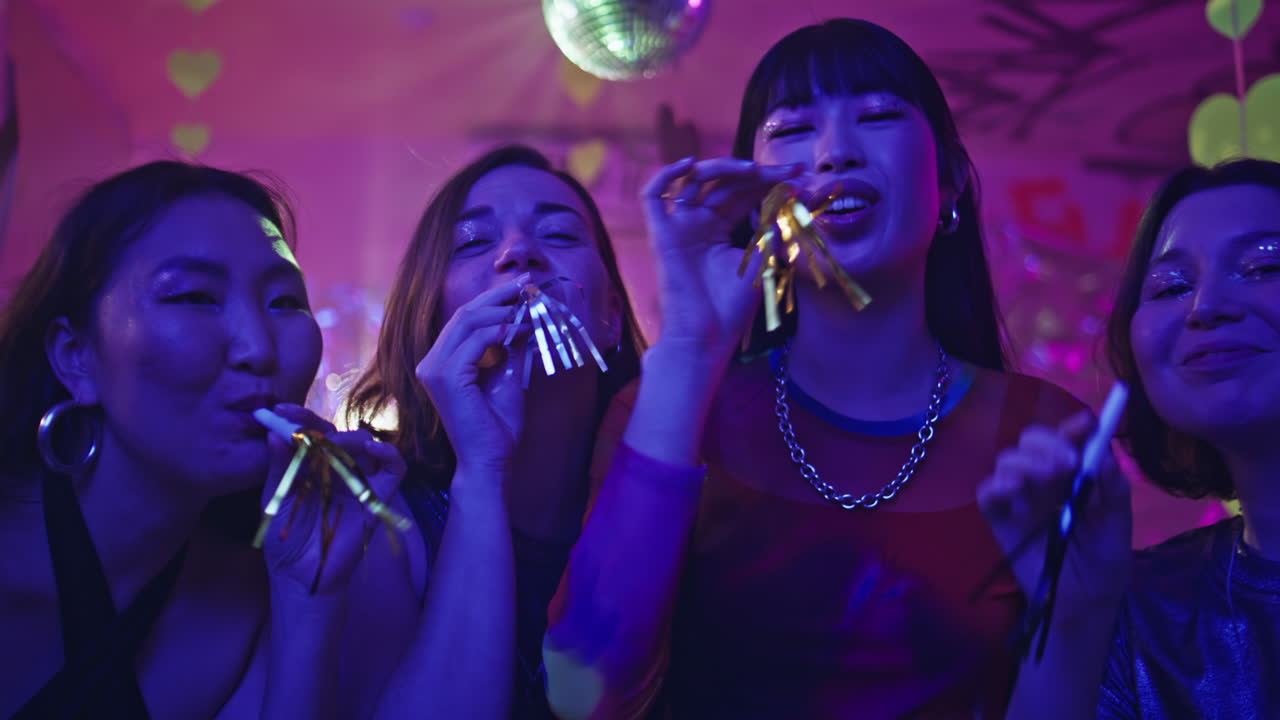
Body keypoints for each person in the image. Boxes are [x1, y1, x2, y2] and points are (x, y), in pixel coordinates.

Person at [541, 19, 1087, 719]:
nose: (834, 155)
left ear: (948, 182)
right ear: (754, 196)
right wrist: (690, 348)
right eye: (793, 130)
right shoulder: (671, 410)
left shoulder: (1044, 435)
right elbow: (583, 693)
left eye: (879, 116)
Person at [344, 145, 644, 719]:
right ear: (430, 318)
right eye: (473, 244)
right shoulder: (381, 520)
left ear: (610, 314)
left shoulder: (669, 489)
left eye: (558, 235)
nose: (518, 255)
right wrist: (481, 473)